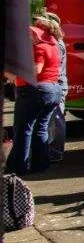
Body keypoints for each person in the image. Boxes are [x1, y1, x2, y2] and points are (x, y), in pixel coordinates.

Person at [5, 25, 62, 175]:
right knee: (40, 128)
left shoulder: (39, 48)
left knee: (24, 129)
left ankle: (18, 167)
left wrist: (13, 74)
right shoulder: (53, 46)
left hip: (34, 91)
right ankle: (40, 165)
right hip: (52, 90)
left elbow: (37, 69)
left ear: (37, 36)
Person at [35, 13, 67, 163]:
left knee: (56, 119)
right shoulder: (54, 41)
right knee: (51, 120)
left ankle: (56, 151)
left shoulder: (56, 44)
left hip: (56, 83)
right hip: (56, 83)